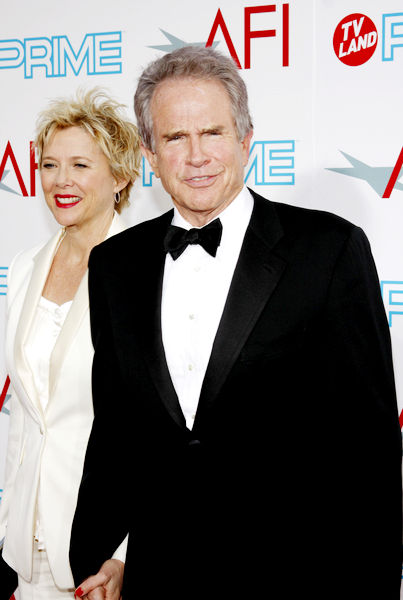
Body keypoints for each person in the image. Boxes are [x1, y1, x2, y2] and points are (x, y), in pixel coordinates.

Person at [70, 47, 402, 599]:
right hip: (161, 577)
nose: (197, 155)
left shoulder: (328, 250)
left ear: (246, 139)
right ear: (150, 153)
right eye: (175, 138)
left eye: (213, 133)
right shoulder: (114, 264)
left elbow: (368, 451)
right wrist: (107, 551)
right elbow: (117, 432)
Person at [0, 88, 141, 600]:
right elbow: (26, 414)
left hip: (100, 550)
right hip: (26, 546)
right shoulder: (22, 268)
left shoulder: (145, 275)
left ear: (121, 175)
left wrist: (125, 554)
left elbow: (150, 433)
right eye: (50, 165)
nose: (62, 181)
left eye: (81, 164)